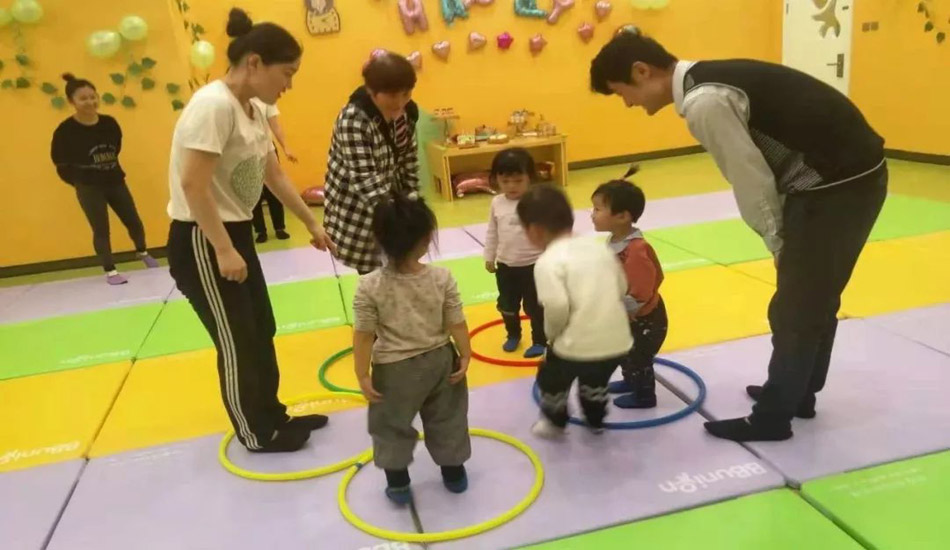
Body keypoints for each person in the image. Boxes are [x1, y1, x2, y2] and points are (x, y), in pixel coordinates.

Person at [590, 28, 888, 441]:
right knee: (809, 300)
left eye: (621, 92)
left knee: (797, 308)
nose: (627, 103)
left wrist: (778, 242)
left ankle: (773, 418)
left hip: (838, 186)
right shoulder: (708, 80)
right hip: (842, 179)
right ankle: (796, 393)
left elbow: (750, 179)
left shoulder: (705, 101)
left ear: (641, 71)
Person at [166, 8, 335, 453]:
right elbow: (193, 185)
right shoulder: (213, 106)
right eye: (288, 73)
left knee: (262, 326)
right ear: (255, 63)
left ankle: (272, 415)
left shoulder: (253, 108)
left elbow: (273, 175)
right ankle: (255, 433)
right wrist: (223, 248)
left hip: (234, 233)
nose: (289, 85)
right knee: (237, 339)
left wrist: (311, 222)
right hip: (203, 238)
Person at [352, 192, 472, 504]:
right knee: (448, 417)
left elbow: (363, 335)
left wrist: (362, 374)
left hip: (394, 370)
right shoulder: (442, 277)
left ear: (379, 240)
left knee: (391, 425)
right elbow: (457, 322)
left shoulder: (368, 285)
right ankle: (454, 472)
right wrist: (465, 354)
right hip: (441, 360)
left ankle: (398, 483)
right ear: (426, 239)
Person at [518, 184, 634, 439]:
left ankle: (555, 423)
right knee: (595, 382)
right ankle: (596, 420)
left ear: (534, 230)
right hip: (617, 341)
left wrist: (551, 336)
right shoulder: (598, 247)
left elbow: (557, 306)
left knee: (552, 379)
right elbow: (622, 286)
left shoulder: (548, 261)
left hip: (575, 346)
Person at [51, 73, 159, 285]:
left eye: (93, 97)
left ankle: (142, 252)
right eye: (83, 98)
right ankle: (110, 270)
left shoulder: (109, 123)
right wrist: (80, 182)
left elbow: (116, 147)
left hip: (115, 181)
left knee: (133, 221)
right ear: (72, 102)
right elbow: (60, 163)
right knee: (101, 229)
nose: (90, 102)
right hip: (89, 187)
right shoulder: (65, 131)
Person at [324, 52, 421, 274]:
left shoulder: (407, 113)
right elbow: (365, 180)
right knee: (373, 276)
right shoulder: (353, 118)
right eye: (392, 95)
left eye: (406, 94)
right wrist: (399, 219)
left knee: (402, 272)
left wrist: (414, 204)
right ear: (371, 91)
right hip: (358, 207)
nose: (399, 102)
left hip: (392, 202)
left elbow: (409, 163)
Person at [591, 178, 668, 409]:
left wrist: (628, 310)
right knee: (624, 351)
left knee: (638, 357)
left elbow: (645, 286)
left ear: (622, 216)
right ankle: (629, 380)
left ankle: (645, 396)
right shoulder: (616, 240)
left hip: (643, 318)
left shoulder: (635, 250)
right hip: (625, 314)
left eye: (597, 209)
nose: (592, 215)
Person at [484, 148, 546, 359]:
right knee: (507, 305)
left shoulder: (537, 202)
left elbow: (549, 233)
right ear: (496, 179)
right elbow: (492, 231)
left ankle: (539, 340)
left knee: (535, 307)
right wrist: (489, 256)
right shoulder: (497, 203)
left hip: (535, 266)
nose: (511, 186)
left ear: (530, 178)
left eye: (518, 181)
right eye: (505, 181)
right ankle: (513, 334)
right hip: (506, 267)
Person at [249, 98, 297, 243]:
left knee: (275, 190)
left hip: (267, 150)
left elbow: (275, 126)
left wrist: (286, 148)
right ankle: (260, 230)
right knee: (253, 193)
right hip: (247, 152)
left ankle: (279, 228)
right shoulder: (237, 99)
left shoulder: (266, 99)